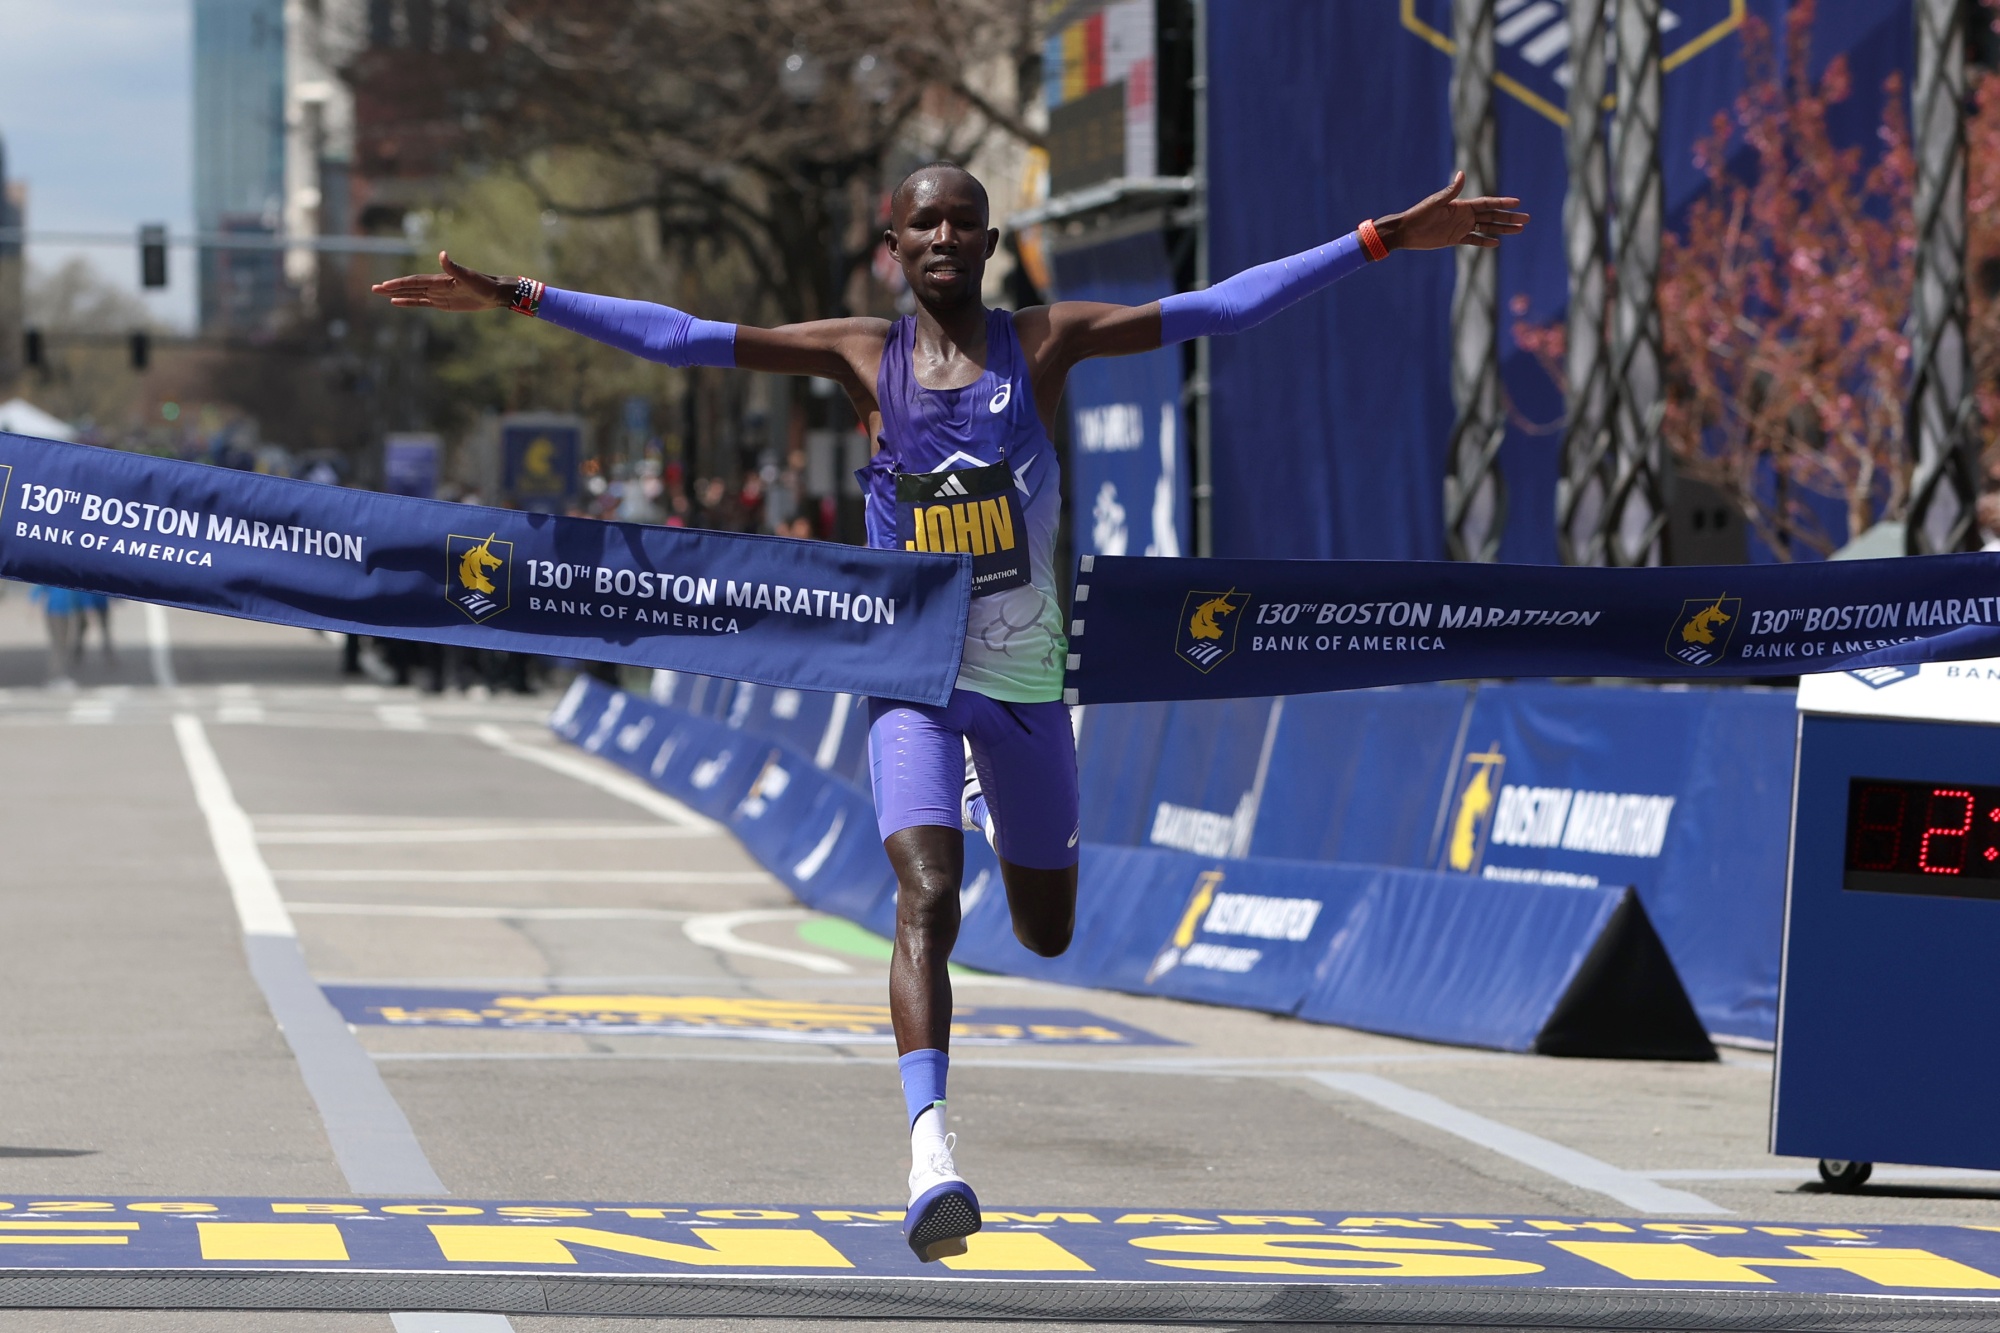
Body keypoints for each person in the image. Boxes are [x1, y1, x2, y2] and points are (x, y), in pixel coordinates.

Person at [372, 165, 1528, 1261]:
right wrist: (517, 293)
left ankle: (996, 813)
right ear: (892, 248)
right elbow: (677, 336)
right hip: (909, 676)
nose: (937, 237)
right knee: (926, 892)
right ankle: (932, 1155)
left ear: (985, 242)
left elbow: (1220, 309)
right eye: (917, 223)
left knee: (1046, 930)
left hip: (1025, 688)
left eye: (958, 222)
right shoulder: (859, 357)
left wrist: (1379, 239)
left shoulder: (1043, 343)